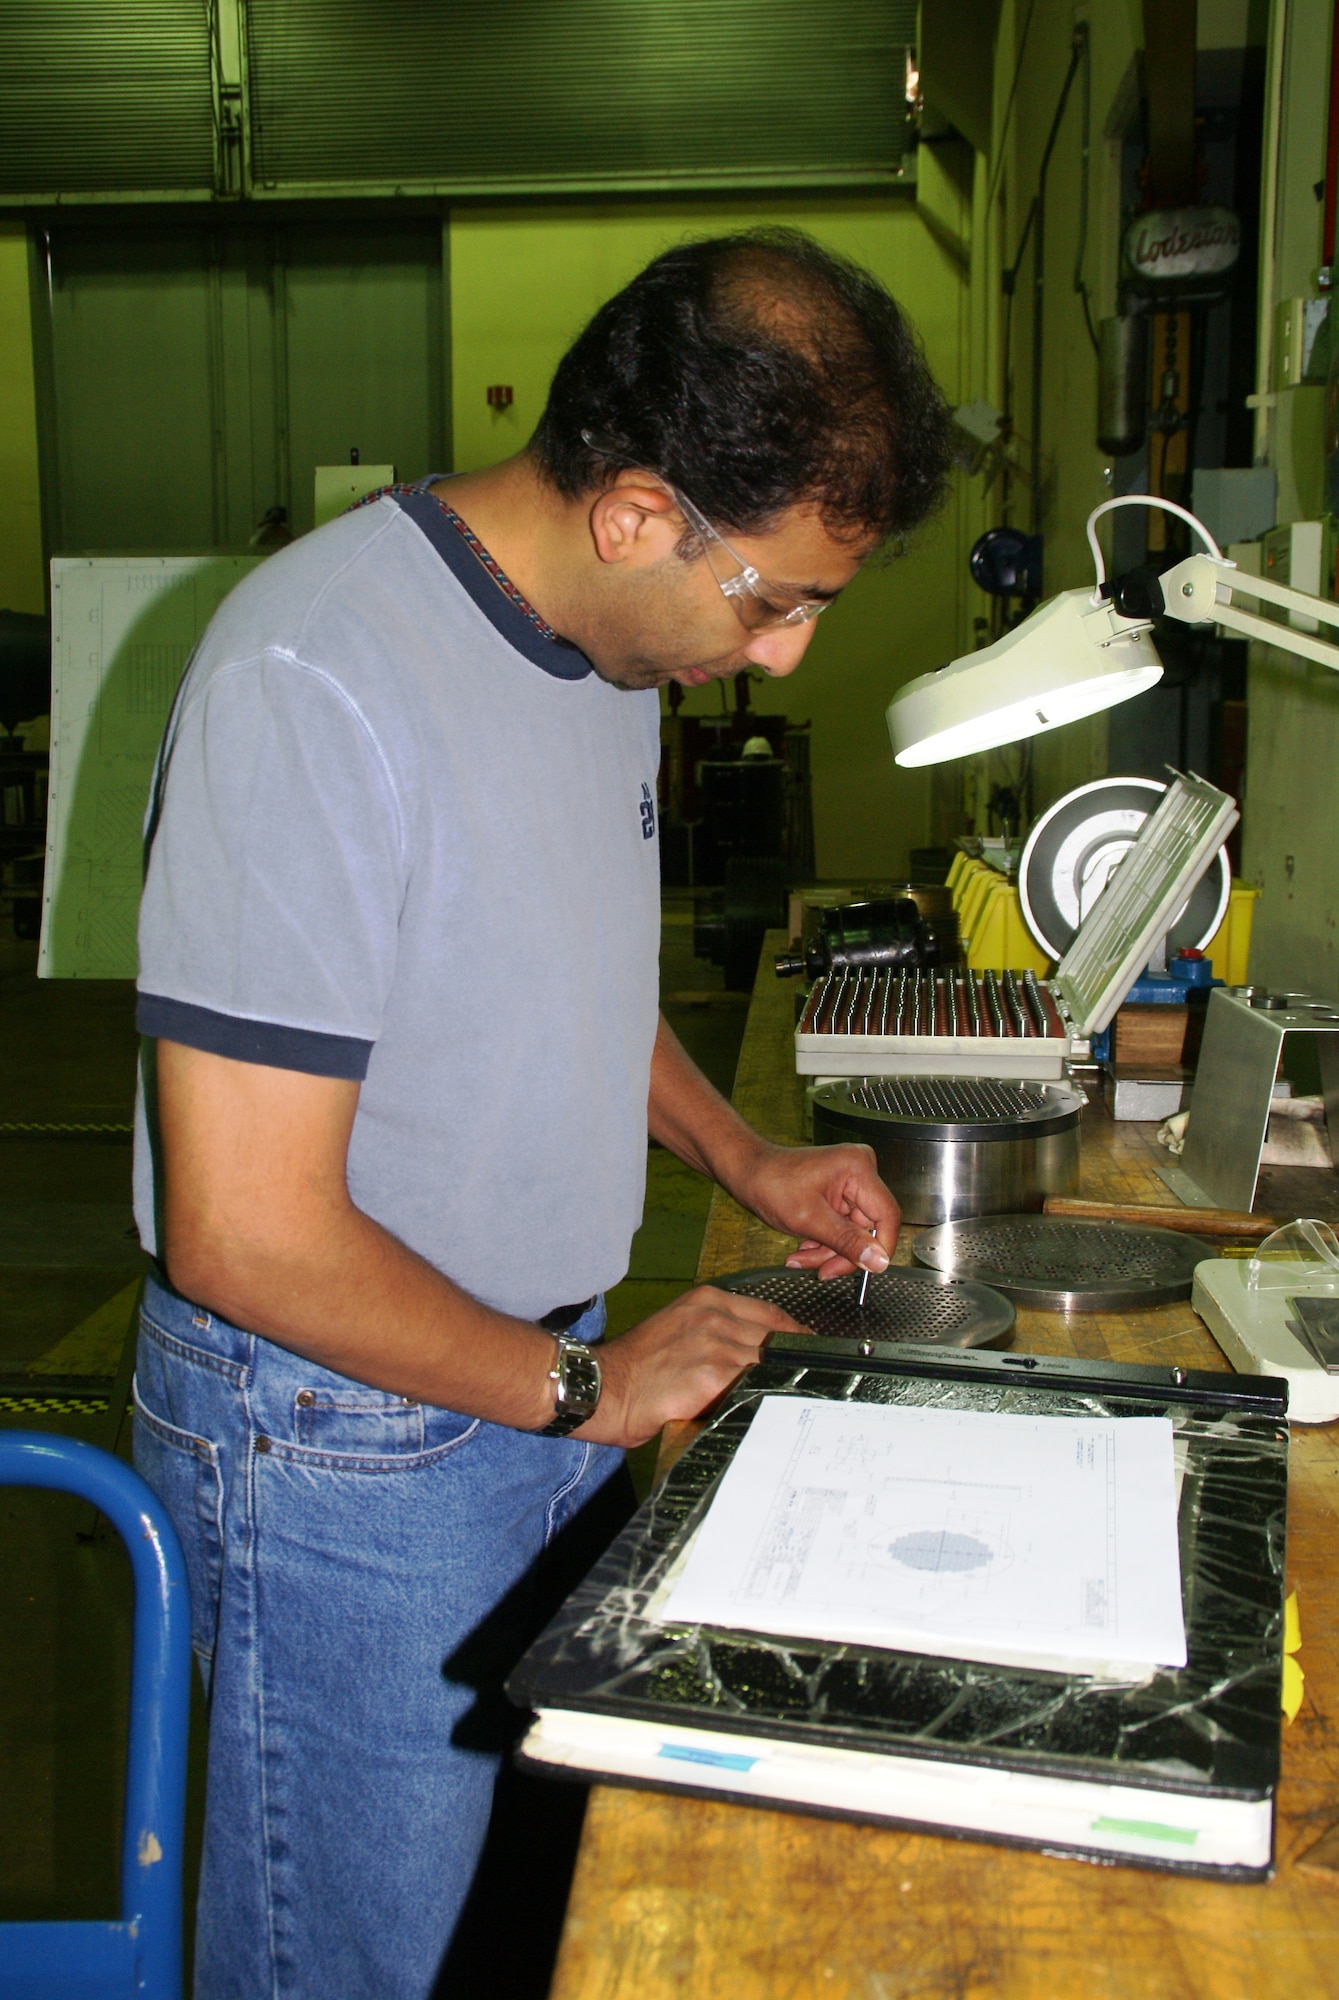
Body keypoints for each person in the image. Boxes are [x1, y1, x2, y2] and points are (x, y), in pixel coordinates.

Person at [130, 227, 952, 1998]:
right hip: (343, 1443)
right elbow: (247, 1229)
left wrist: (740, 1152)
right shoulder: (316, 675)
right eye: (778, 598)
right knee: (354, 1960)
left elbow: (561, 968)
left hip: (522, 1391)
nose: (794, 656)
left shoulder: (607, 655)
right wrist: (588, 1391)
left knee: (508, 1928)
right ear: (639, 512)